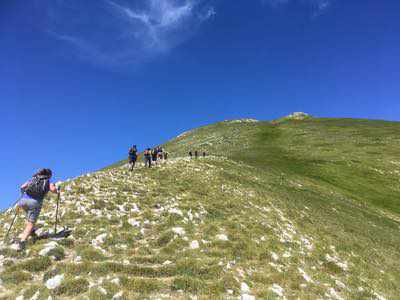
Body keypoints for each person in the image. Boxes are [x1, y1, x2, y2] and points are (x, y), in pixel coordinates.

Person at [16, 168, 58, 251]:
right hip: (35, 202)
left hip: (23, 201)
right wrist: (57, 191)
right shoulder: (48, 182)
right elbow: (53, 190)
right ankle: (22, 242)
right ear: (49, 175)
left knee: (29, 215)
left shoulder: (33, 179)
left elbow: (22, 187)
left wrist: (23, 195)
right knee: (31, 223)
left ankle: (31, 231)